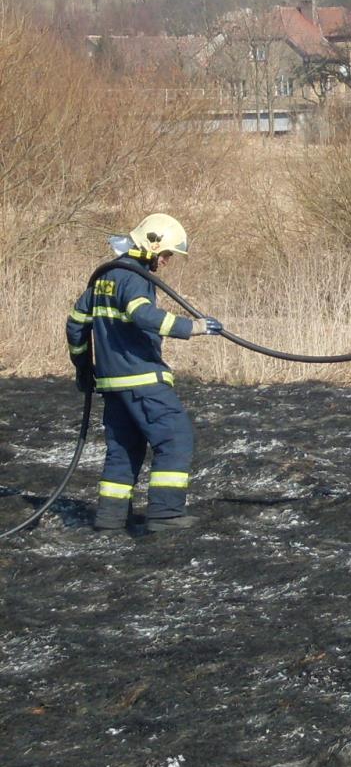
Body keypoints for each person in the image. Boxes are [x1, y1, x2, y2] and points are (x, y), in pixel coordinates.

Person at [65, 214, 224, 533]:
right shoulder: (134, 276)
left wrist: (83, 368)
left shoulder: (105, 278)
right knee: (175, 437)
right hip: (142, 379)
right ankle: (165, 513)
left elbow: (75, 323)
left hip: (112, 384)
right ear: (152, 246)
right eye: (166, 254)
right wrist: (193, 327)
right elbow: (142, 314)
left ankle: (110, 518)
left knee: (124, 448)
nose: (166, 261)